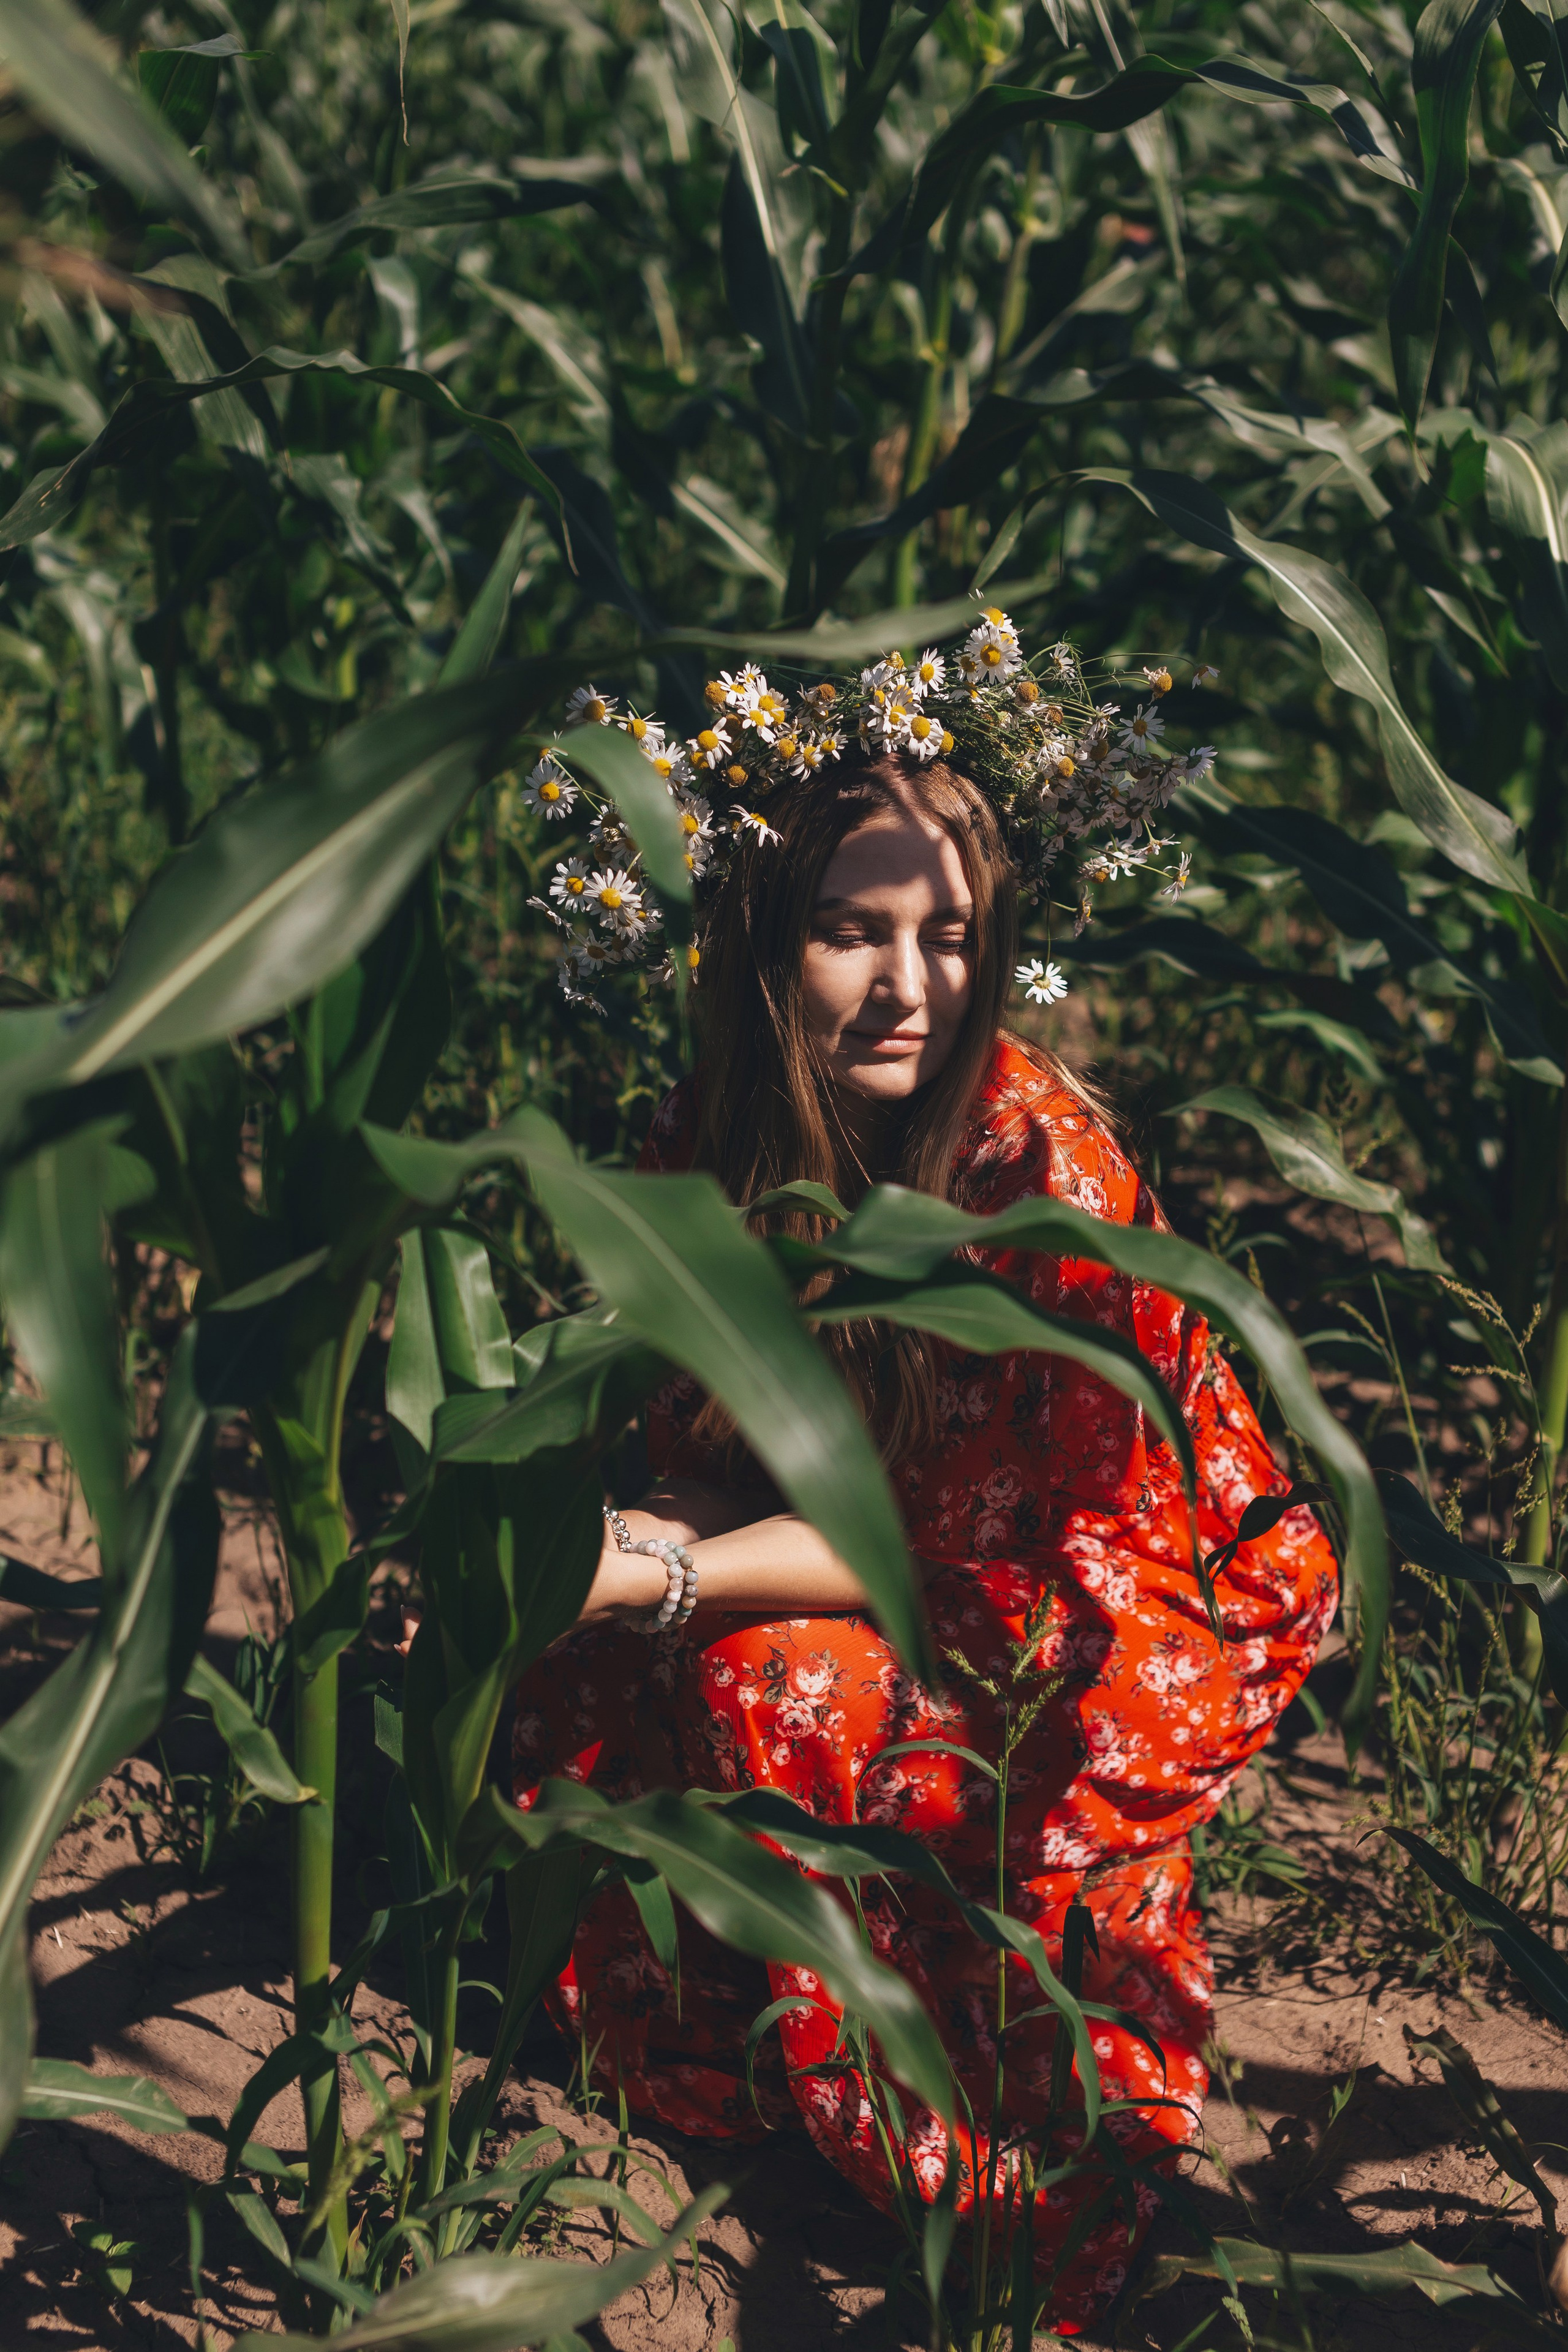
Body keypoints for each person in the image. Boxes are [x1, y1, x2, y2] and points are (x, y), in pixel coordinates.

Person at [507, 746, 1336, 2334]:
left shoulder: (1038, 1174)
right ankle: (712, 2032)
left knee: (772, 1669)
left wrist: (666, 1563)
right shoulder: (717, 1136)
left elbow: (959, 1566)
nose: (909, 986)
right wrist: (635, 1536)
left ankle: (908, 2118)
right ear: (766, 944)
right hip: (897, 1552)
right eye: (851, 931)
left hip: (1099, 1615)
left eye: (948, 937)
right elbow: (713, 1431)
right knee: (563, 1624)